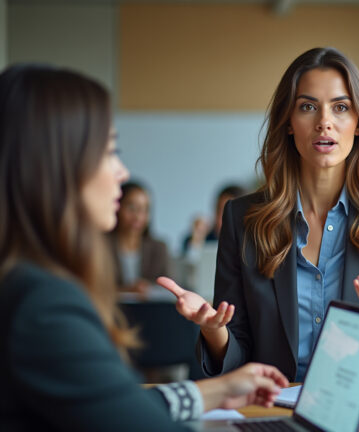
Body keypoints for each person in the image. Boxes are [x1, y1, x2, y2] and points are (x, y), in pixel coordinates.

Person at [0, 64, 288, 431]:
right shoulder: (44, 307)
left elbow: (114, 404)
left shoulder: (21, 282)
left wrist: (220, 389)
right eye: (109, 152)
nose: (121, 172)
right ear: (56, 167)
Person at [159, 47, 359, 383]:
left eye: (340, 107)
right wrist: (213, 330)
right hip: (272, 402)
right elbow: (236, 358)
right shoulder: (242, 218)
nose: (324, 122)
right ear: (289, 123)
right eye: (308, 107)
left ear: (358, 124)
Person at [109, 181, 170, 295]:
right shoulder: (102, 245)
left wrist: (148, 289)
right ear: (117, 207)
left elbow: (169, 288)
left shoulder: (158, 248)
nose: (138, 216)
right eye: (131, 208)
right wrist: (126, 290)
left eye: (144, 209)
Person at [181, 184, 246, 256]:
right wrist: (196, 240)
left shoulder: (250, 244)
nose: (219, 219)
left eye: (229, 214)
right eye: (218, 210)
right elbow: (189, 257)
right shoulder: (202, 238)